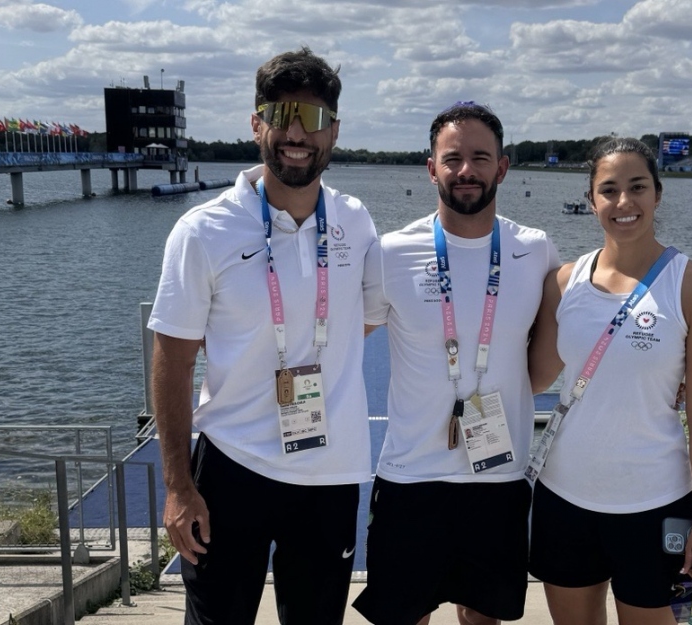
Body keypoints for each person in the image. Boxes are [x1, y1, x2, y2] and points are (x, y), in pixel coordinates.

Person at [148, 48, 377, 625]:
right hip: (231, 470)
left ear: (335, 133)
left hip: (330, 476)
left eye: (316, 119)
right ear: (257, 124)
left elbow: (369, 319)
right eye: (283, 115)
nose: (298, 133)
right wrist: (178, 486)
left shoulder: (356, 221)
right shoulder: (203, 229)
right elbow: (171, 362)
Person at [353, 102, 560, 625]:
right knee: (401, 616)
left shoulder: (534, 251)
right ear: (431, 168)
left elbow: (553, 355)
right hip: (410, 476)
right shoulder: (391, 252)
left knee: (483, 617)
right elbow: (340, 343)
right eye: (453, 159)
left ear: (503, 167)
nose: (466, 170)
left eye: (480, 157)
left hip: (499, 478)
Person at [526, 137, 692, 625]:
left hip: (655, 502)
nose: (624, 202)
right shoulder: (563, 283)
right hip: (564, 496)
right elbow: (533, 378)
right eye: (609, 190)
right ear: (591, 200)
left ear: (657, 194)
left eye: (637, 187)